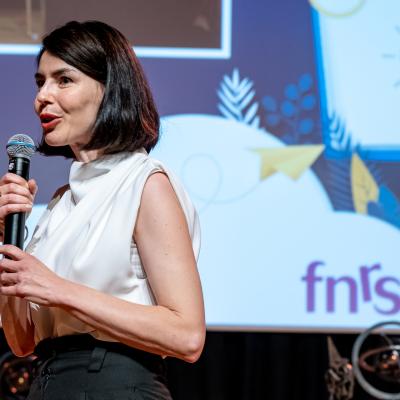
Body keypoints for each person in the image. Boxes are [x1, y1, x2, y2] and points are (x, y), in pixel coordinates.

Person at [0, 20, 205, 399]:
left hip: (115, 384)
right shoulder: (60, 203)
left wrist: (58, 289)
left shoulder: (145, 182)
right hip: (48, 384)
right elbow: (22, 342)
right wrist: (6, 240)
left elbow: (187, 335)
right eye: (40, 82)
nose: (42, 96)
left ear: (109, 89)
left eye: (63, 80)